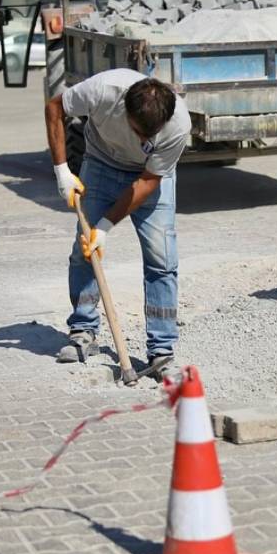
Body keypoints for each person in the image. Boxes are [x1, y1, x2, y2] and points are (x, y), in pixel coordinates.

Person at [44, 68, 190, 376]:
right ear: (124, 109)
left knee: (162, 259)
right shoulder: (102, 91)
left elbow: (148, 181)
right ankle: (83, 330)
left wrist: (106, 227)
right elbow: (54, 108)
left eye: (150, 136)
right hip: (101, 162)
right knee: (84, 250)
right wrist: (62, 172)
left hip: (149, 176)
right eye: (139, 132)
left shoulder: (177, 125)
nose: (144, 140)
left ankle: (161, 349)